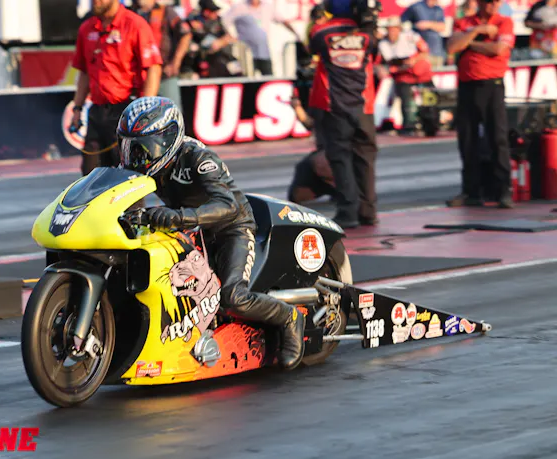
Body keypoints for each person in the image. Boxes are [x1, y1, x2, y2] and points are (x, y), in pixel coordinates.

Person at [116, 96, 306, 370]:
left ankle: (289, 317)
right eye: (130, 147)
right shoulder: (139, 165)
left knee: (232, 297)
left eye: (144, 147)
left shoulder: (198, 157)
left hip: (231, 228)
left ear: (168, 139)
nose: (137, 157)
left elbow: (227, 205)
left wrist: (179, 216)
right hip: (190, 230)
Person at [308, 0, 381, 228]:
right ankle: (368, 211)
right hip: (364, 105)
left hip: (334, 105)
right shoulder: (368, 36)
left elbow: (311, 47)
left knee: (340, 158)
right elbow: (375, 52)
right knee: (365, 158)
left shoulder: (322, 32)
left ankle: (349, 211)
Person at [70, 0, 163, 176]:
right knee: (90, 173)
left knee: (126, 173)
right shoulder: (87, 28)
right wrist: (77, 108)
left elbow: (153, 66)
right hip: (97, 112)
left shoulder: (134, 24)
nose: (95, 2)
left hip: (126, 110)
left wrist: (145, 109)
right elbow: (84, 72)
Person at [446, 0, 515, 208]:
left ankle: (503, 190)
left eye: (497, 2)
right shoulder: (464, 22)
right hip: (467, 85)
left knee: (497, 138)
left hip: (492, 85)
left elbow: (498, 49)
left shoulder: (504, 22)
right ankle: (471, 191)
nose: (494, 5)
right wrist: (477, 31)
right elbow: (452, 47)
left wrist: (469, 43)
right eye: (490, 2)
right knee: (467, 140)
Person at [376, 17, 434, 136]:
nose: (392, 32)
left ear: (399, 29)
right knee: (407, 102)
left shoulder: (411, 36)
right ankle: (409, 126)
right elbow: (386, 63)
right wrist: (396, 67)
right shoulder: (383, 44)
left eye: (394, 29)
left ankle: (431, 125)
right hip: (402, 75)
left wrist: (414, 60)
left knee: (429, 100)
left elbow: (425, 51)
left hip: (421, 72)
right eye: (389, 29)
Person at [132, 0, 192, 108]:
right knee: (142, 112)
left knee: (170, 112)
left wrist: (175, 62)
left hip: (164, 74)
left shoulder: (166, 11)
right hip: (139, 76)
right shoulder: (132, 12)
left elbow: (186, 34)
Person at [221, 0, 301, 76]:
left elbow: (283, 21)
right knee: (249, 80)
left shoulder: (267, 7)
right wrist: (231, 36)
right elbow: (225, 21)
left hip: (263, 52)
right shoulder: (239, 7)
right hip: (247, 54)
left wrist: (296, 34)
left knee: (268, 78)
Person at [180, 0, 243, 79]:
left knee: (237, 72)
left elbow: (229, 36)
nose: (216, 13)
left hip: (224, 57)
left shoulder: (219, 21)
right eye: (213, 11)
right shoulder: (193, 22)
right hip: (205, 60)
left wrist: (220, 42)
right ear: (206, 12)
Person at [400, 0, 447, 68]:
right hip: (419, 55)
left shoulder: (438, 9)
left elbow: (442, 27)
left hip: (437, 52)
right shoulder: (416, 7)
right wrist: (414, 27)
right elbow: (402, 23)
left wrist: (428, 24)